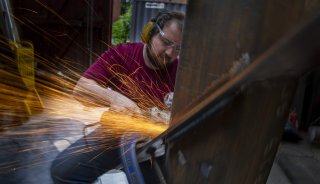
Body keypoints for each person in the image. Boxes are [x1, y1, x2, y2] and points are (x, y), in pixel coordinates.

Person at [50, 10, 185, 184]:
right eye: (166, 42)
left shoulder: (182, 72)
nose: (169, 53)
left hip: (156, 144)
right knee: (62, 171)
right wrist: (115, 98)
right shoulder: (122, 54)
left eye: (177, 48)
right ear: (150, 33)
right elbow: (81, 89)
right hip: (116, 135)